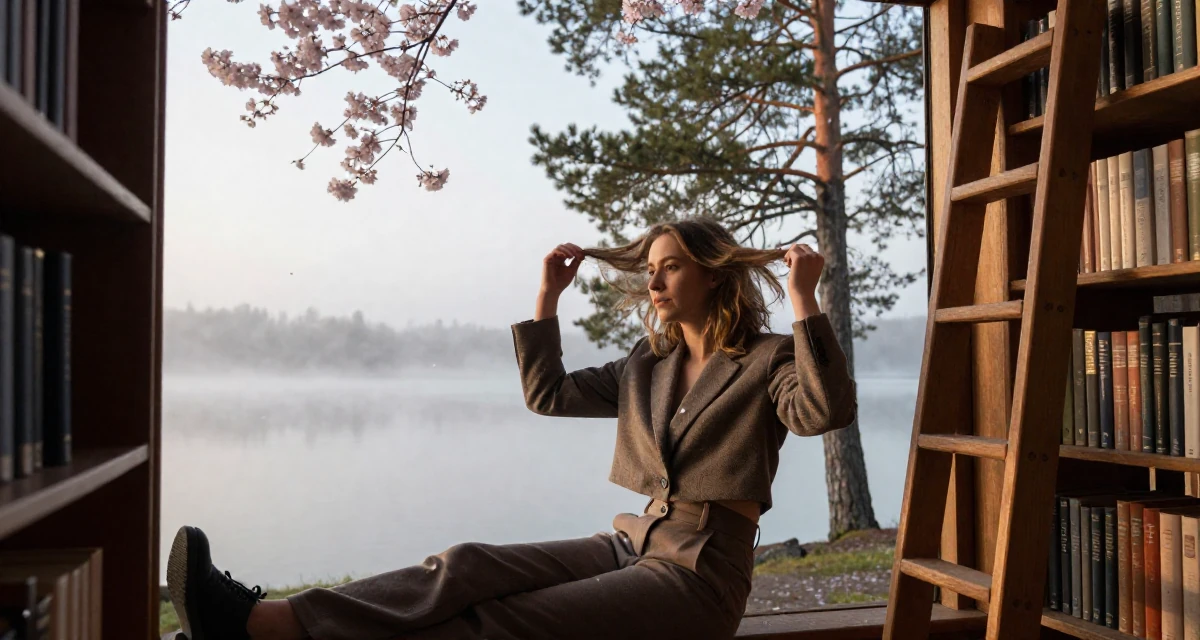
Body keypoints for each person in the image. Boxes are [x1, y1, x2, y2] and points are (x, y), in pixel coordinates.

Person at [165, 217, 857, 640]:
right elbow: (548, 394)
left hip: (701, 573)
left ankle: (262, 635)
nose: (653, 284)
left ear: (711, 273)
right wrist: (547, 301)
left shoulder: (768, 358)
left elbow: (826, 411)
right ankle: (272, 623)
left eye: (669, 267)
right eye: (649, 270)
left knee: (508, 622)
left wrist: (804, 303)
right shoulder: (650, 362)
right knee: (468, 566)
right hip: (629, 540)